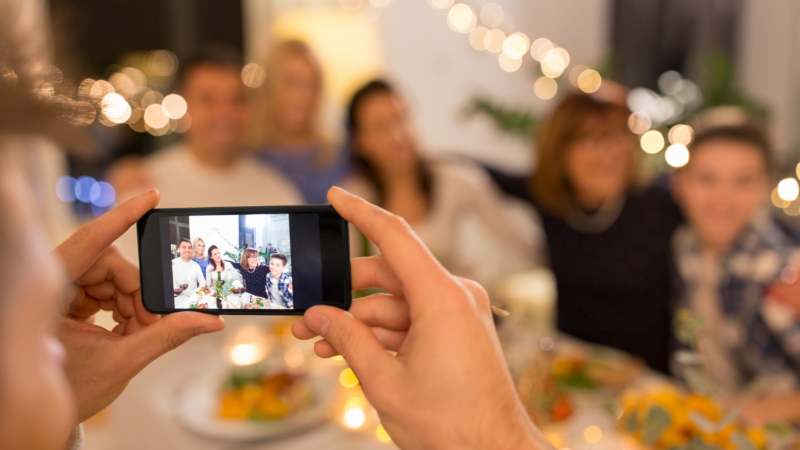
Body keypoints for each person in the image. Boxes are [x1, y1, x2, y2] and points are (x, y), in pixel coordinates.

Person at [489, 92, 683, 372]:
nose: (609, 150)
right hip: (575, 373)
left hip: (646, 383)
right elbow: (483, 173)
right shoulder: (551, 200)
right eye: (591, 138)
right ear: (561, 151)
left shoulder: (661, 203)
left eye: (617, 135)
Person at [343, 80, 542, 289]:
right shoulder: (351, 199)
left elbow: (522, 244)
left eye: (402, 118)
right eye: (381, 127)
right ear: (359, 142)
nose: (399, 135)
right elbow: (343, 277)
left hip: (452, 313)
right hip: (380, 319)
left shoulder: (456, 180)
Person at [107, 47, 302, 259]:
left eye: (236, 99)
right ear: (185, 105)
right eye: (208, 99)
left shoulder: (278, 193)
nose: (224, 112)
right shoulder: (143, 188)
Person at [671, 119, 800, 424]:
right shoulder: (686, 247)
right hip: (705, 417)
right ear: (681, 184)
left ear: (765, 187)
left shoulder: (776, 273)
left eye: (742, 181)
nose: (722, 197)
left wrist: (771, 409)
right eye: (706, 178)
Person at [248, 40, 351, 204]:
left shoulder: (341, 155)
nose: (303, 94)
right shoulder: (248, 156)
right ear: (269, 87)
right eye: (291, 83)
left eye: (311, 84)